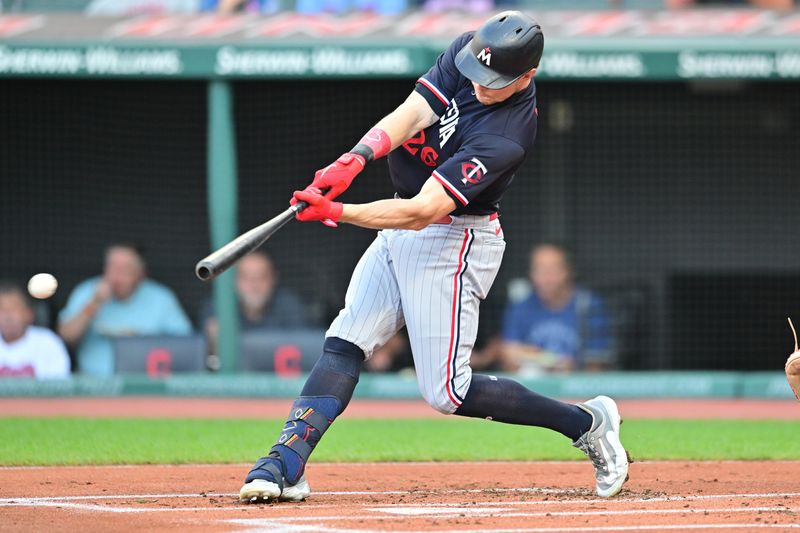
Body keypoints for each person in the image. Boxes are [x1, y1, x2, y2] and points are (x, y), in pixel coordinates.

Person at [239, 11, 629, 504]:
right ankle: (284, 461)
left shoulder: (506, 136)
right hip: (400, 225)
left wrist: (338, 210)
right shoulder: (470, 50)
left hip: (454, 239)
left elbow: (422, 211)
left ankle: (586, 422)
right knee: (346, 339)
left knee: (447, 392)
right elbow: (412, 113)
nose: (479, 84)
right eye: (477, 72)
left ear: (527, 76)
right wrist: (354, 159)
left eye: (494, 81)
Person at [58, 243, 192, 377]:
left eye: (125, 270)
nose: (116, 277)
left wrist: (140, 341)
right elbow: (67, 336)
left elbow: (185, 344)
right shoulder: (87, 291)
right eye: (112, 267)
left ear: (140, 275)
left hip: (145, 384)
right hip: (93, 384)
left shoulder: (160, 298)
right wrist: (94, 303)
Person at [502, 243, 613, 374]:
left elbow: (598, 363)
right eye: (539, 270)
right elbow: (507, 355)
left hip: (575, 387)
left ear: (567, 271)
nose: (545, 278)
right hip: (533, 387)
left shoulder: (588, 304)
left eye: (551, 270)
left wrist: (571, 367)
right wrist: (541, 359)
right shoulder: (521, 307)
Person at [200, 251, 309, 354]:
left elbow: (306, 350)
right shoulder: (219, 307)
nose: (254, 285)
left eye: (261, 277)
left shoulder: (289, 306)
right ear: (234, 281)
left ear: (273, 279)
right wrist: (213, 344)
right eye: (246, 277)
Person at [0, 282, 70, 379]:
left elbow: (57, 388)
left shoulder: (47, 342)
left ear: (29, 313)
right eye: (2, 309)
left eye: (13, 308)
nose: (7, 316)